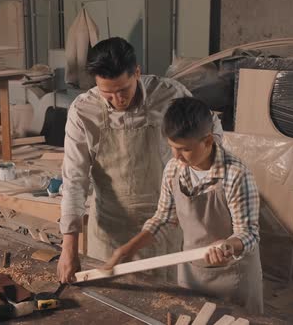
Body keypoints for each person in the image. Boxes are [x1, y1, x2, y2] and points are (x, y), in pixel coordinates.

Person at [57, 37, 223, 284]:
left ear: (137, 72)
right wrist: (68, 246)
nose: (117, 100)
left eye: (123, 90)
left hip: (164, 224)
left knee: (164, 304)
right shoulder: (83, 112)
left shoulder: (170, 96)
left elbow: (212, 132)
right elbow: (74, 180)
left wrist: (198, 182)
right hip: (110, 229)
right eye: (107, 94)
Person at [102, 97, 263, 314]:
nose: (176, 156)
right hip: (192, 272)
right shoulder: (174, 169)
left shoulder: (235, 174)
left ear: (207, 141)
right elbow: (163, 218)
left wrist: (228, 245)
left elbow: (249, 233)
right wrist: (129, 248)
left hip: (232, 276)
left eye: (184, 149)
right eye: (171, 147)